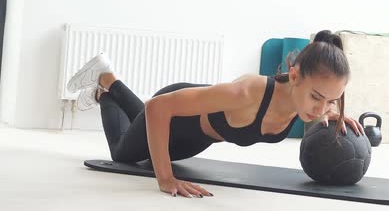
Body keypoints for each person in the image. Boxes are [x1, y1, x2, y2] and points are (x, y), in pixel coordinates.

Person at [67, 30, 364, 198]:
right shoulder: (247, 93)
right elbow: (159, 109)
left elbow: (319, 104)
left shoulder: (307, 102)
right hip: (177, 116)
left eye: (331, 101)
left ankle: (110, 83)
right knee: (123, 154)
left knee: (141, 125)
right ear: (294, 75)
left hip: (193, 141)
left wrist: (332, 116)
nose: (321, 107)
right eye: (317, 98)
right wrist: (165, 179)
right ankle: (105, 87)